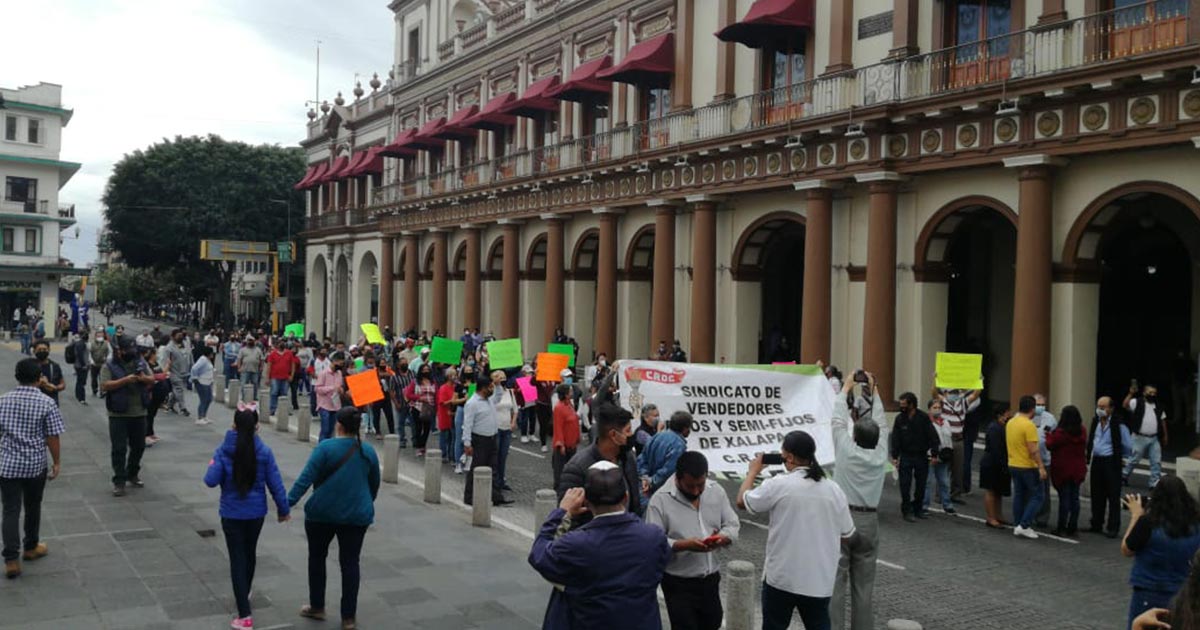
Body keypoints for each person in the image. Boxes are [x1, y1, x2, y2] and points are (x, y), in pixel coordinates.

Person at [529, 462, 671, 630]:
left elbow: (539, 553)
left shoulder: (576, 545)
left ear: (586, 502)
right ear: (625, 497)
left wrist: (563, 511)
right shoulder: (654, 537)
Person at [737, 431, 855, 630]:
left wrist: (752, 472)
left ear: (789, 457)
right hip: (818, 581)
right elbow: (847, 534)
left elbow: (742, 501)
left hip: (782, 578)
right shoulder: (834, 490)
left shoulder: (778, 484)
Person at [288, 407, 380, 630]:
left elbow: (305, 479)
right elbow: (374, 484)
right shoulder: (367, 451)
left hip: (322, 512)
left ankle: (317, 606)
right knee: (350, 563)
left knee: (317, 558)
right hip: (356, 514)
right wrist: (364, 501)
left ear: (338, 425)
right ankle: (348, 617)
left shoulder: (325, 448)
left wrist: (286, 504)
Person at [203, 406, 291, 629]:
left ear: (233, 425)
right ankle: (246, 590)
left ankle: (244, 615)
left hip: (231, 513)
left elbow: (210, 480)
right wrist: (283, 509)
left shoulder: (223, 450)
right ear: (257, 427)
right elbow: (276, 483)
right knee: (249, 553)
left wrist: (214, 462)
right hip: (256, 512)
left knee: (237, 559)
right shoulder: (264, 451)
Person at [645, 451, 739, 630]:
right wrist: (683, 545)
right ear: (678, 478)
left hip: (710, 580)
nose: (696, 491)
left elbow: (732, 524)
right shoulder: (660, 501)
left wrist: (722, 537)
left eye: (700, 485)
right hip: (678, 584)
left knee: (713, 623)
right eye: (690, 486)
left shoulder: (716, 491)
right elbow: (653, 543)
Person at [830, 373, 888, 630]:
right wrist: (874, 390)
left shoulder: (845, 449)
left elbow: (837, 420)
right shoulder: (881, 454)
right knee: (864, 587)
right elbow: (882, 423)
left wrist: (846, 387)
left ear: (854, 437)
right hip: (869, 520)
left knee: (836, 581)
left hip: (843, 518)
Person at [0, 358, 65, 579]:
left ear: (17, 377)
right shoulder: (46, 402)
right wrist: (57, 462)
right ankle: (30, 547)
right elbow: (52, 436)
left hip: (8, 465)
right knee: (33, 506)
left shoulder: (3, 401)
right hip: (34, 465)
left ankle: (11, 560)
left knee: (10, 510)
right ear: (40, 378)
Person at [1122, 476, 1200, 627]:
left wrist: (1136, 515)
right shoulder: (1196, 525)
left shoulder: (1148, 523)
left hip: (1149, 589)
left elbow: (1127, 549)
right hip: (1181, 591)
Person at [557, 402, 643, 524]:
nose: (631, 435)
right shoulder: (577, 468)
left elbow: (635, 503)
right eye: (628, 431)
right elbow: (566, 515)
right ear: (613, 435)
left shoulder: (628, 457)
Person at [100, 337, 156, 497]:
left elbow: (152, 378)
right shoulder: (109, 365)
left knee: (139, 446)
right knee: (119, 448)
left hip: (139, 412)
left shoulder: (140, 362)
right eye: (127, 350)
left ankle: (132, 472)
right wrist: (125, 380)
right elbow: (104, 385)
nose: (131, 352)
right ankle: (119, 481)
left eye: (133, 349)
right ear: (119, 350)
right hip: (118, 413)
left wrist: (142, 378)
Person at [462, 375, 512, 506]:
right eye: (490, 387)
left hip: (492, 438)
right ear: (483, 388)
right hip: (480, 440)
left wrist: (498, 385)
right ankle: (469, 496)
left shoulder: (489, 400)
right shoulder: (472, 403)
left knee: (493, 468)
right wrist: (467, 443)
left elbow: (498, 396)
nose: (492, 389)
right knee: (477, 468)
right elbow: (467, 424)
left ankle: (495, 496)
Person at [930, 376, 981, 501]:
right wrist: (935, 379)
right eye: (952, 392)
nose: (954, 395)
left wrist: (979, 381)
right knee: (943, 468)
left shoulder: (963, 403)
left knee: (958, 470)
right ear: (946, 394)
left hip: (959, 440)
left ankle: (955, 494)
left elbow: (975, 394)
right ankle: (940, 495)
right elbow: (934, 393)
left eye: (956, 393)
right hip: (946, 440)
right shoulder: (943, 403)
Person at [1088, 396, 1134, 538]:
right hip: (1097, 461)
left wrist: (1121, 457)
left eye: (1103, 407)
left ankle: (1113, 527)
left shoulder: (1118, 424)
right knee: (1096, 494)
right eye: (1098, 406)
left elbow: (1128, 445)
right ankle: (1096, 523)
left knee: (1113, 496)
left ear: (1111, 409)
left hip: (1111, 461)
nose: (1100, 409)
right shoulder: (1096, 421)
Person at [889, 392, 937, 522]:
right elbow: (895, 438)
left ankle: (918, 508)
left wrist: (934, 454)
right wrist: (895, 456)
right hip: (906, 456)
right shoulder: (899, 419)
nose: (902, 407)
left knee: (921, 484)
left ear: (912, 404)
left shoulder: (923, 418)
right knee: (905, 485)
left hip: (921, 456)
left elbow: (932, 436)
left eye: (904, 405)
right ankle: (906, 510)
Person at [1007, 395, 1047, 539]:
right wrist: (1041, 467)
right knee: (1038, 496)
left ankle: (1018, 523)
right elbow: (1033, 450)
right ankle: (1024, 525)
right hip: (1027, 466)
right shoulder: (1029, 425)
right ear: (1032, 409)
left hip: (1013, 463)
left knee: (1019, 495)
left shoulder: (1011, 422)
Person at [1046, 405, 1087, 536]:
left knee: (1064, 499)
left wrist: (1048, 434)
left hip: (1063, 469)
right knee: (1075, 499)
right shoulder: (1082, 431)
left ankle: (1061, 527)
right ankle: (1072, 526)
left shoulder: (1060, 434)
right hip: (1078, 469)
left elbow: (1049, 444)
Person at [638, 410, 692, 500]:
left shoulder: (656, 436)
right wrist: (651, 482)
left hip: (645, 489)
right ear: (685, 428)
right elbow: (668, 472)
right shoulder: (679, 445)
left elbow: (642, 459)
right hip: (662, 493)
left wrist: (644, 478)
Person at [1124, 383, 1169, 488]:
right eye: (1150, 392)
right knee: (1134, 458)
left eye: (1154, 393)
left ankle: (1154, 482)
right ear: (1144, 393)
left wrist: (1165, 435)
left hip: (1154, 438)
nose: (1152, 395)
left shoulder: (1158, 406)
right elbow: (1125, 405)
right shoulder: (1137, 402)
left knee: (1156, 461)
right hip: (1139, 437)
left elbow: (1163, 420)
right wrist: (1130, 394)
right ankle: (1124, 475)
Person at [979, 405, 1012, 529]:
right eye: (1007, 412)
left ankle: (998, 515)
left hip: (1000, 462)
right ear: (1000, 414)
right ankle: (991, 517)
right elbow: (995, 448)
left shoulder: (1002, 426)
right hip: (992, 463)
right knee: (991, 490)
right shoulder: (994, 428)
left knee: (998, 491)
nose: (1009, 415)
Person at [1031, 393, 1058, 527]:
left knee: (1043, 491)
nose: (1040, 407)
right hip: (1028, 461)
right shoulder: (1025, 416)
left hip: (1044, 459)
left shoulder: (1050, 418)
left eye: (1042, 405)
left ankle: (1042, 518)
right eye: (1038, 405)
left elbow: (1054, 435)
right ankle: (1028, 515)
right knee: (1029, 490)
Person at [924, 399, 955, 514]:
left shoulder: (945, 422)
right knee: (927, 482)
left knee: (944, 482)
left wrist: (949, 453)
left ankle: (947, 504)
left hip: (943, 457)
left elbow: (948, 439)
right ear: (929, 409)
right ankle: (924, 505)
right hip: (930, 456)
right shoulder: (926, 423)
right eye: (934, 408)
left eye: (939, 408)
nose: (937, 410)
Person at [491, 371, 517, 492]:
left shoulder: (510, 392)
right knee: (495, 456)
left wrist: (513, 422)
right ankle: (495, 481)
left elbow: (515, 409)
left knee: (503, 456)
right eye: (500, 378)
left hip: (507, 428)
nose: (502, 380)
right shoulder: (492, 393)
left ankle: (501, 480)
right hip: (496, 428)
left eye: (504, 378)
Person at [551, 383, 581, 489]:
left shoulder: (570, 405)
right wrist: (560, 444)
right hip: (563, 445)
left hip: (572, 443)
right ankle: (559, 487)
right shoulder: (559, 408)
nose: (572, 392)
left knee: (571, 467)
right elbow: (558, 427)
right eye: (570, 391)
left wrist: (577, 437)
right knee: (559, 469)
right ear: (566, 394)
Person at [404, 364, 437, 457]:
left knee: (427, 429)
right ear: (420, 371)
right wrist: (419, 398)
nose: (426, 371)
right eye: (424, 370)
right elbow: (408, 394)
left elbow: (436, 394)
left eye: (427, 369)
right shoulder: (415, 382)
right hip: (417, 407)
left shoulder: (433, 382)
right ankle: (419, 447)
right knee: (418, 428)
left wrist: (436, 408)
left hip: (429, 408)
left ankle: (423, 445)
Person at [313, 352, 346, 442]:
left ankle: (328, 445)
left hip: (335, 405)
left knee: (331, 429)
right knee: (325, 428)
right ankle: (322, 446)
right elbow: (317, 389)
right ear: (334, 361)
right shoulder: (324, 373)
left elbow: (340, 386)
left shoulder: (339, 373)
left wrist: (341, 390)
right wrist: (331, 388)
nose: (341, 366)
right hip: (324, 404)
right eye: (340, 363)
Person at [163, 329, 192, 417]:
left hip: (185, 371)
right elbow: (166, 361)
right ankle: (183, 408)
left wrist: (192, 366)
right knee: (179, 389)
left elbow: (190, 356)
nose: (180, 337)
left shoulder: (185, 344)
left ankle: (169, 405)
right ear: (173, 337)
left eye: (181, 335)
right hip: (174, 372)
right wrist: (166, 372)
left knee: (175, 390)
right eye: (178, 335)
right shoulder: (169, 348)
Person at [265, 340, 297, 419]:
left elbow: (293, 365)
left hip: (285, 377)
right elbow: (269, 366)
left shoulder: (289, 353)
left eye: (282, 343)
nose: (281, 344)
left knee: (284, 394)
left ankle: (284, 409)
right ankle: (272, 409)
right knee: (274, 393)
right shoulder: (272, 354)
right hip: (275, 377)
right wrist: (267, 378)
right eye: (280, 343)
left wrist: (292, 375)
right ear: (277, 345)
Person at [436, 367, 460, 466]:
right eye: (453, 375)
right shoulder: (443, 388)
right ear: (448, 376)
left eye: (456, 375)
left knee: (452, 436)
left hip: (453, 414)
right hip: (445, 414)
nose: (455, 377)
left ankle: (451, 455)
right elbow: (442, 402)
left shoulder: (456, 387)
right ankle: (443, 454)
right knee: (444, 435)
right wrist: (453, 400)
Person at [30, 340, 64, 407]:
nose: (42, 351)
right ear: (34, 351)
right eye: (39, 349)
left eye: (44, 349)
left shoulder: (55, 366)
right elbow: (23, 384)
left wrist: (55, 388)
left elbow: (62, 384)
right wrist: (40, 383)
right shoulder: (29, 365)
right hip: (33, 402)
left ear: (49, 350)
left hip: (52, 402)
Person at [190, 346, 215, 425]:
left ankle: (204, 415)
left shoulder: (207, 360)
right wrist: (195, 378)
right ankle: (200, 417)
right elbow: (194, 368)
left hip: (208, 382)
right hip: (202, 382)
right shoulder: (203, 360)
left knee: (209, 399)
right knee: (203, 400)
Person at [236, 337, 265, 401]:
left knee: (255, 384)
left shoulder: (258, 350)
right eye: (249, 341)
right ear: (247, 342)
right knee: (243, 384)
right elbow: (239, 359)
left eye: (251, 341)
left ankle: (254, 397)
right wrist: (239, 367)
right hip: (245, 369)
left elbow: (262, 359)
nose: (250, 342)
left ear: (254, 341)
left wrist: (261, 367)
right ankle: (243, 397)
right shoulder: (242, 350)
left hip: (255, 370)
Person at [88, 330, 111, 399]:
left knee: (102, 378)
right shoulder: (91, 343)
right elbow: (89, 353)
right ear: (95, 336)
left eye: (101, 335)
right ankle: (94, 390)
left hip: (103, 364)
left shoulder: (107, 343)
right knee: (94, 378)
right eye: (98, 335)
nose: (100, 336)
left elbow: (110, 352)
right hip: (94, 364)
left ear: (103, 336)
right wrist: (91, 361)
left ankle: (102, 391)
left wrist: (107, 359)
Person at [67, 332, 89, 405]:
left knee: (79, 381)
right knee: (81, 382)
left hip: (77, 365)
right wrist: (84, 365)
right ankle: (81, 398)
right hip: (81, 366)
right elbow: (80, 355)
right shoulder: (81, 344)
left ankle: (78, 395)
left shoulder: (78, 343)